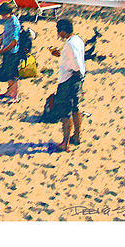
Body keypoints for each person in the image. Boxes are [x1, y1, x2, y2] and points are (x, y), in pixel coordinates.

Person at [49, 18, 86, 152]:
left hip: (68, 80)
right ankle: (76, 136)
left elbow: (75, 61)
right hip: (77, 79)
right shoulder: (77, 40)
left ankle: (65, 143)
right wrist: (61, 54)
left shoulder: (70, 44)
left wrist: (74, 73)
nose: (58, 34)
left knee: (65, 111)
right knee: (75, 107)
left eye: (59, 31)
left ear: (63, 31)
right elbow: (73, 58)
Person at [0, 3, 21, 102]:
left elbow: (15, 42)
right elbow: (4, 33)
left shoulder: (14, 23)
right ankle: (9, 92)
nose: (2, 16)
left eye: (3, 14)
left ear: (9, 13)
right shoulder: (7, 21)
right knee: (8, 73)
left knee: (13, 74)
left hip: (13, 53)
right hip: (6, 51)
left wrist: (3, 50)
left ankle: (15, 96)